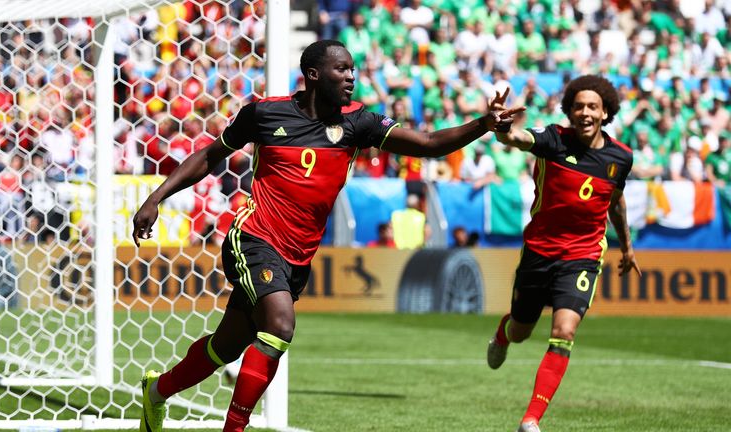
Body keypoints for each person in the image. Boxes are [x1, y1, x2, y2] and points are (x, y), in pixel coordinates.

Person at [132, 39, 524, 432]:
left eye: (352, 69)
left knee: (228, 345)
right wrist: (156, 197)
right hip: (253, 236)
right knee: (280, 326)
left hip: (298, 255)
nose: (351, 76)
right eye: (342, 69)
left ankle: (156, 392)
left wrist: (484, 125)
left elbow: (428, 145)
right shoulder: (265, 115)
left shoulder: (358, 123)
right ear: (314, 75)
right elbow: (208, 156)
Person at [484, 75, 641, 432]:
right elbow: (516, 138)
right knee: (522, 329)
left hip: (583, 255)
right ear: (569, 110)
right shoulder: (553, 139)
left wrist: (627, 247)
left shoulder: (620, 158)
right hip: (539, 251)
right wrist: (500, 125)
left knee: (564, 331)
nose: (585, 112)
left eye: (592, 107)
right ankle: (504, 334)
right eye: (578, 106)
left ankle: (531, 419)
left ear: (606, 113)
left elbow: (615, 204)